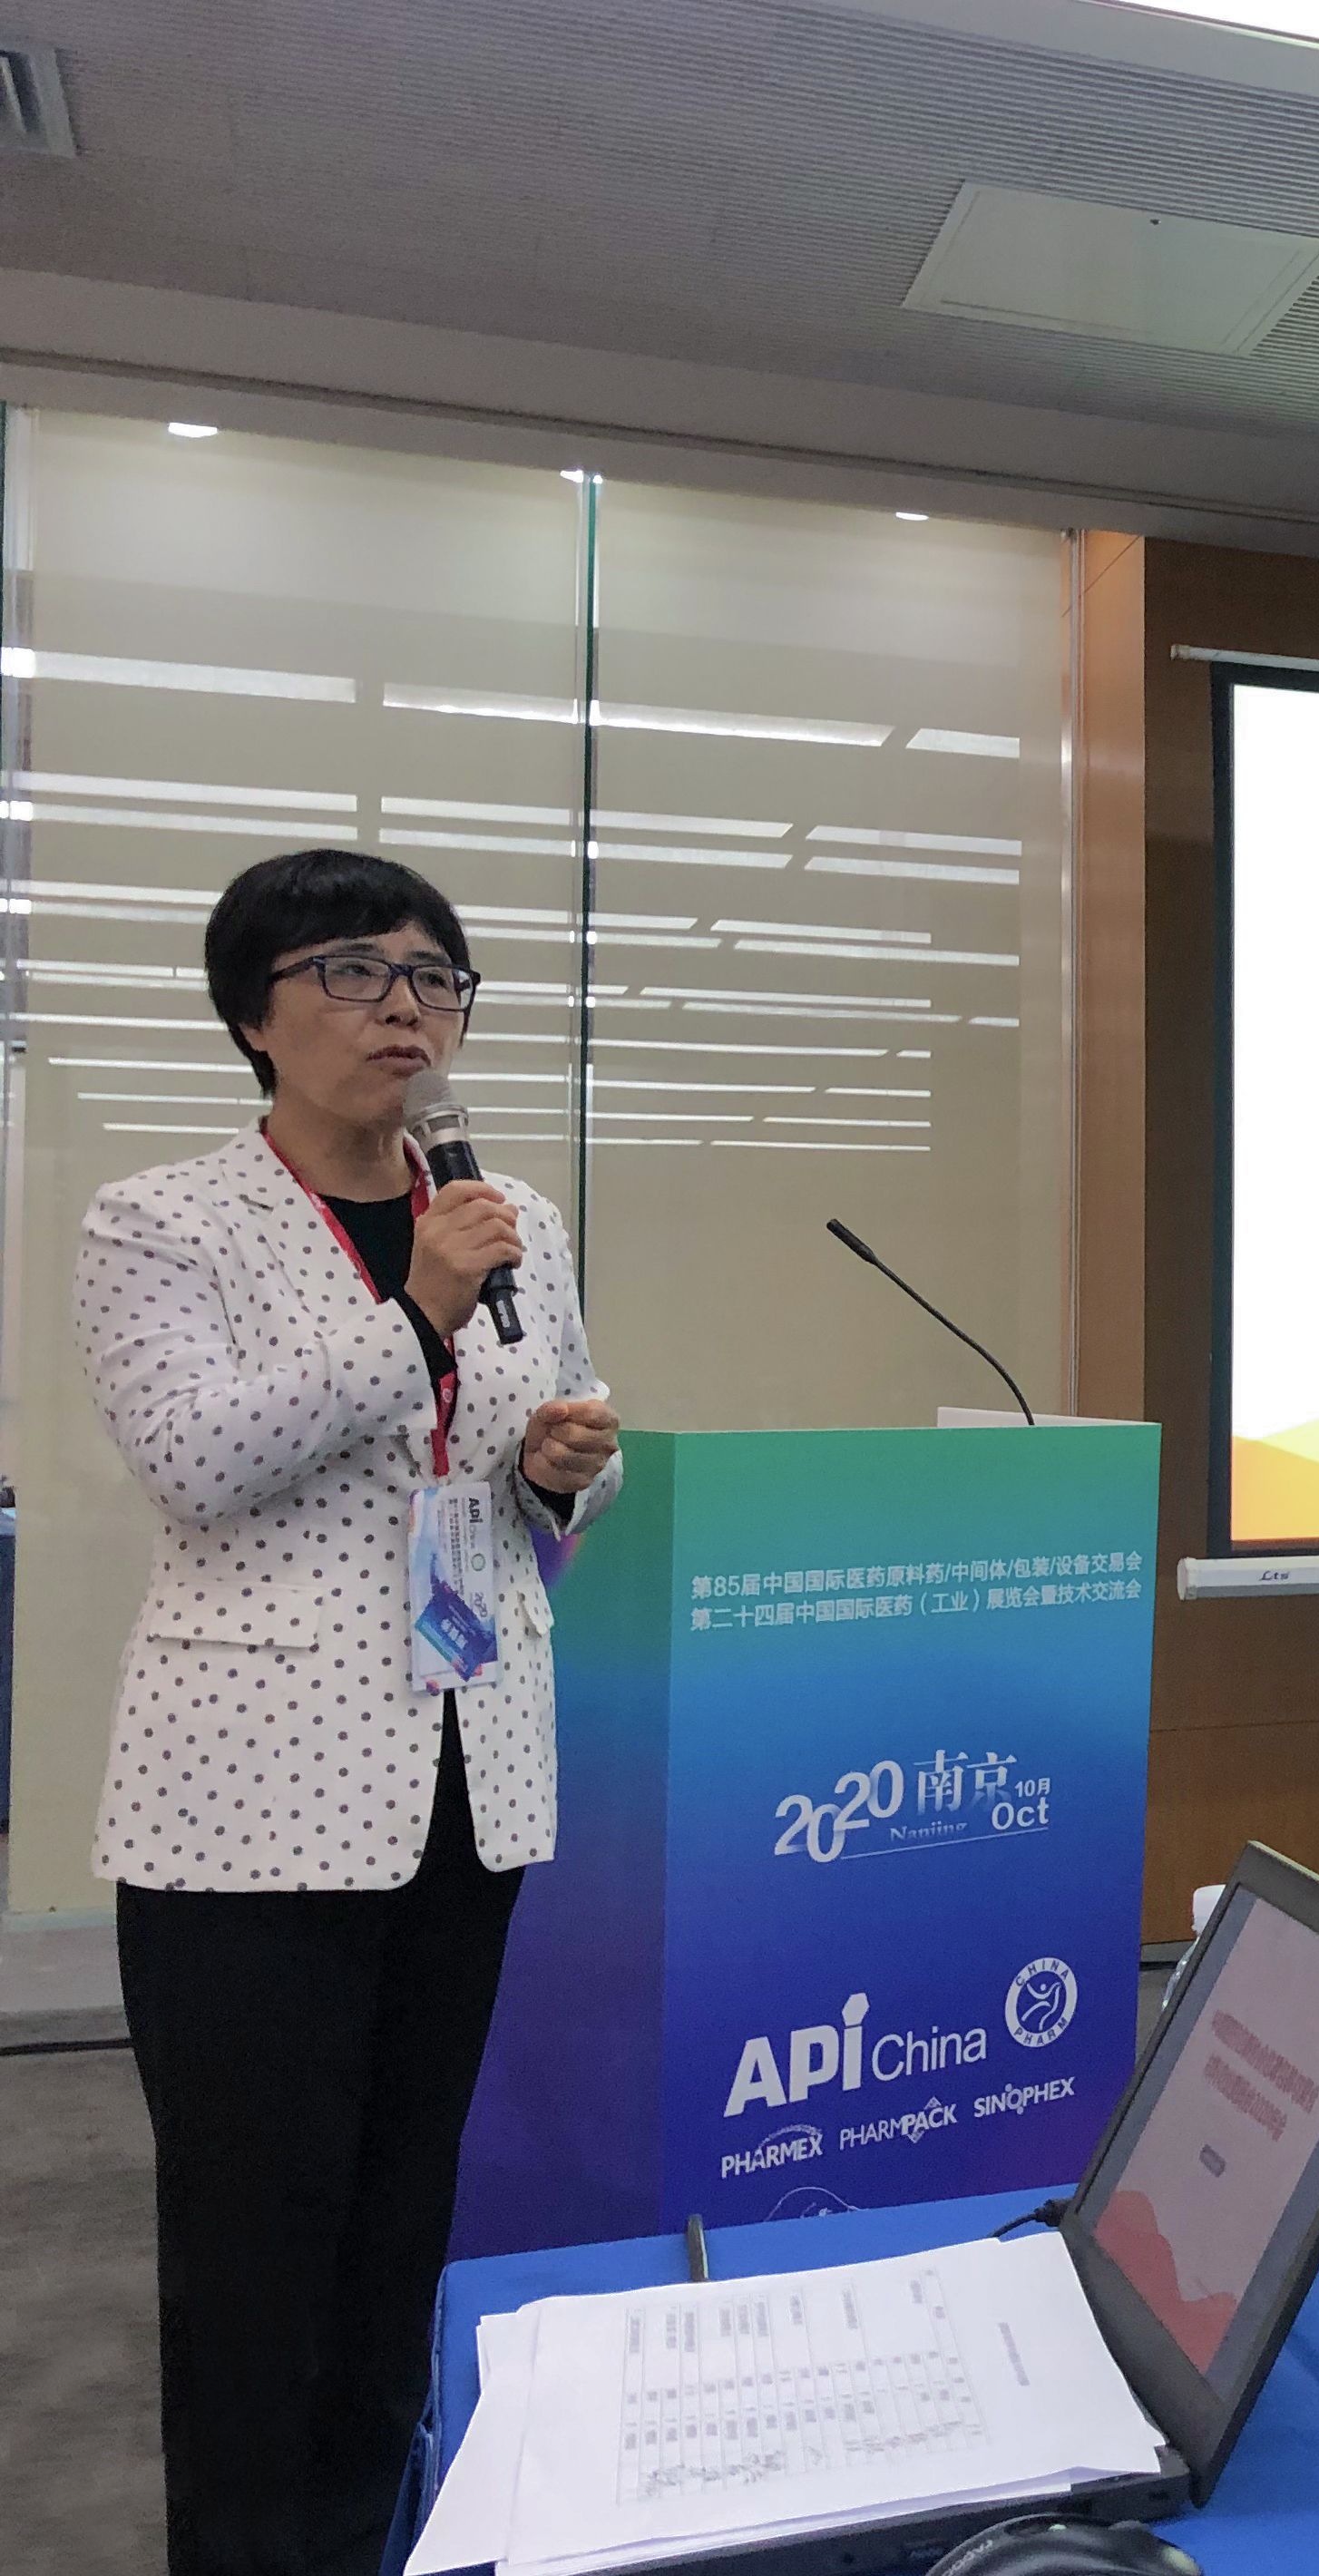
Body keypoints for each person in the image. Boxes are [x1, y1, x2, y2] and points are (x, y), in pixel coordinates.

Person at [75, 849, 624, 2576]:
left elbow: (540, 1461)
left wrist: (562, 1471)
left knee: (399, 2220)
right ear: (254, 1015)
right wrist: (420, 1310)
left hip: (470, 1779)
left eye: (435, 975)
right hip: (247, 1813)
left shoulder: (515, 1215)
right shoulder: (162, 1222)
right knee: (255, 2247)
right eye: (354, 971)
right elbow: (201, 1460)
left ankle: (363, 2540)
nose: (406, 1005)